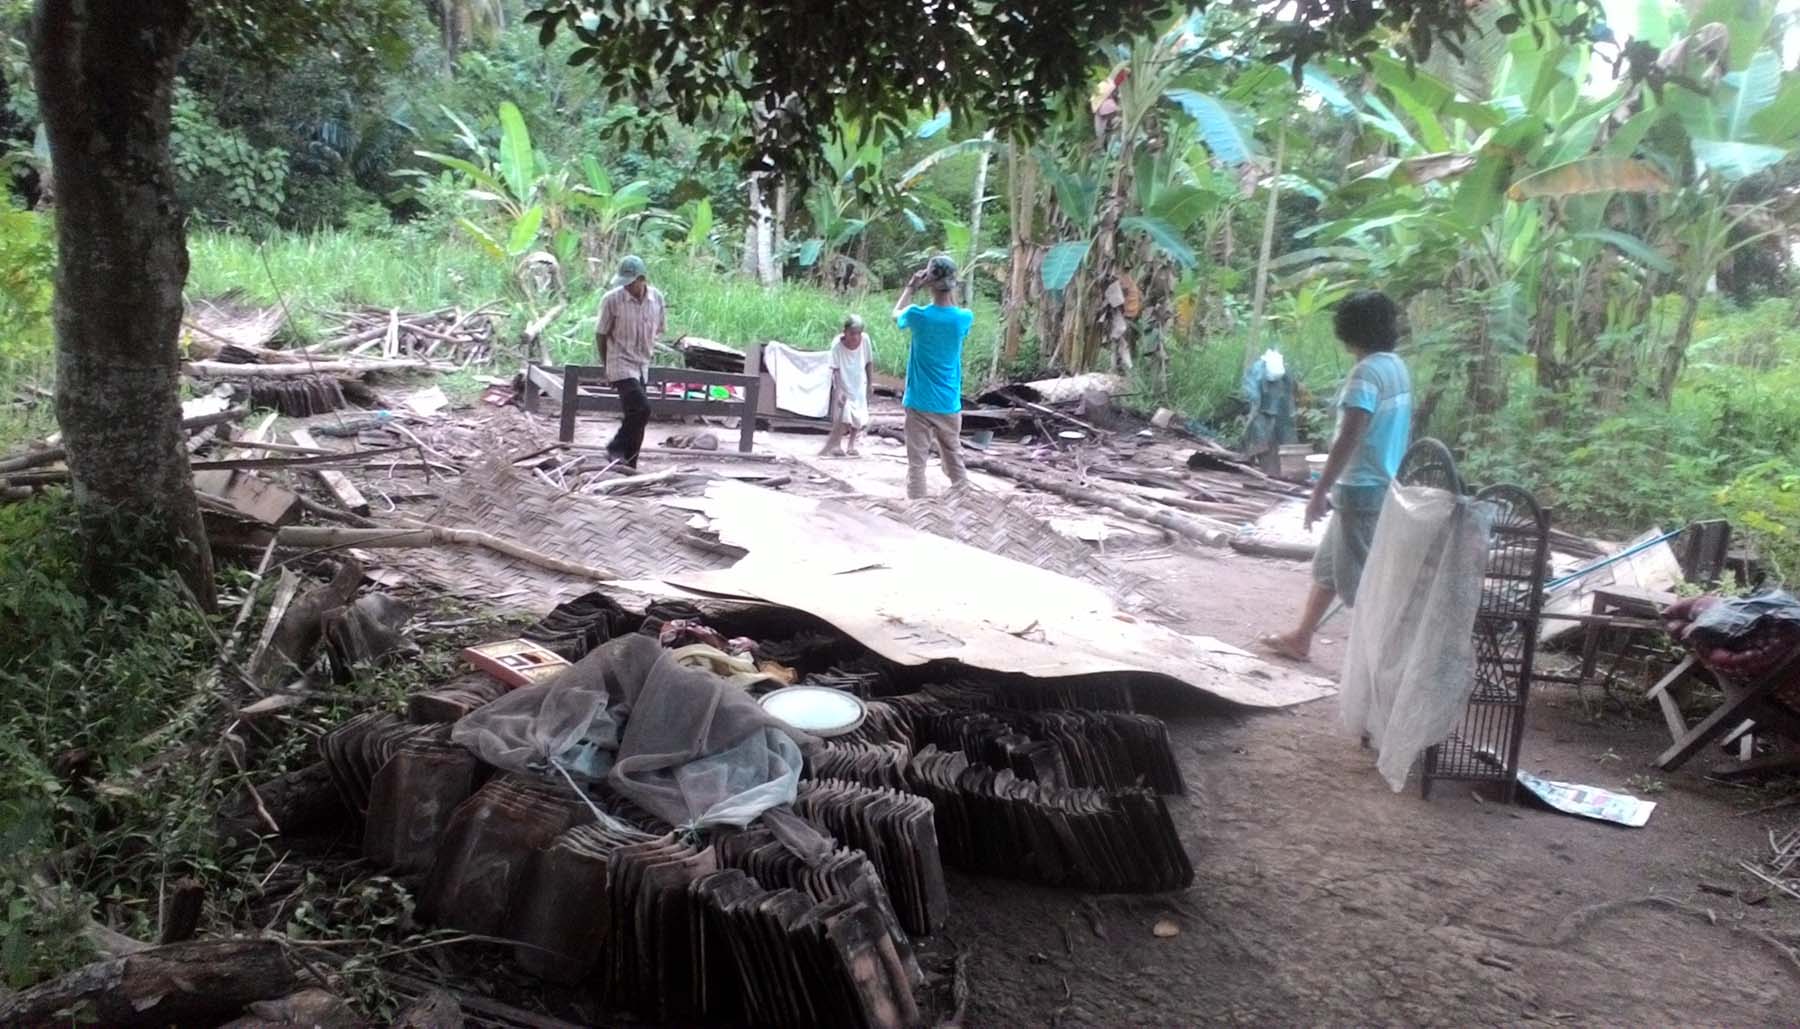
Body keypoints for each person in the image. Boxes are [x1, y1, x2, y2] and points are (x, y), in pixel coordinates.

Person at [1260, 290, 1413, 662]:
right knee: (1328, 569)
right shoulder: (1396, 367)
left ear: (1348, 330)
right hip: (1376, 483)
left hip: (1361, 487)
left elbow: (1350, 434)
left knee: (1362, 585)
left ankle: (1387, 666)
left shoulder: (1366, 373)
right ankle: (1301, 637)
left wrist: (1320, 490)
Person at [892, 255, 973, 498]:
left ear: (928, 281)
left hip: (919, 400)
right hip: (948, 402)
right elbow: (953, 309)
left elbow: (896, 313)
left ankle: (918, 513)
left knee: (917, 465)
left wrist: (911, 287)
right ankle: (966, 503)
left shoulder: (918, 315)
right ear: (953, 282)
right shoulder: (964, 318)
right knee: (954, 459)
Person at [594, 255, 666, 469]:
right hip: (619, 361)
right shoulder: (611, 300)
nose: (626, 287)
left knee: (637, 416)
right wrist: (606, 365)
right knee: (642, 408)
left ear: (642, 279)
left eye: (630, 283)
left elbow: (659, 329)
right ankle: (615, 447)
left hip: (642, 363)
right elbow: (601, 334)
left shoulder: (657, 299)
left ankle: (630, 463)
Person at [820, 314, 875, 457]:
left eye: (858, 334)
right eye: (852, 334)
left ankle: (851, 445)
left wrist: (870, 383)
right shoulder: (837, 345)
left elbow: (869, 362)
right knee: (843, 416)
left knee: (858, 416)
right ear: (845, 332)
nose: (855, 337)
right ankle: (836, 445)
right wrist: (839, 391)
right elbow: (836, 369)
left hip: (859, 382)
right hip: (843, 382)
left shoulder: (865, 341)